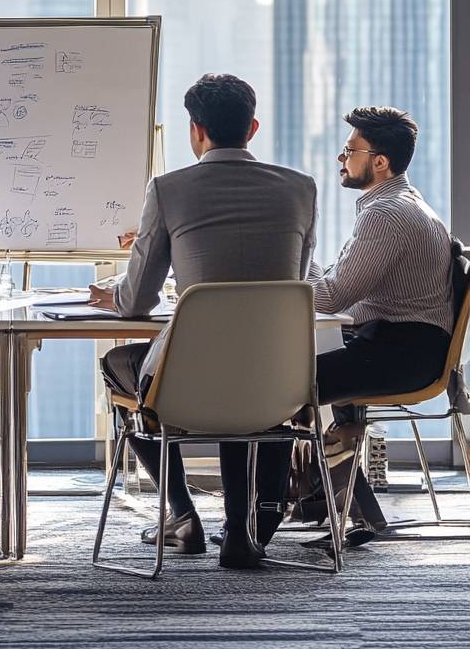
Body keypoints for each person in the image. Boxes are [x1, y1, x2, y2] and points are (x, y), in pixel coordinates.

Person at [88, 74, 318, 569]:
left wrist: (114, 293)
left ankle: (183, 514)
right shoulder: (302, 189)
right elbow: (291, 285)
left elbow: (135, 303)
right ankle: (240, 532)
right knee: (239, 377)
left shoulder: (169, 189)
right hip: (279, 383)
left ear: (196, 131)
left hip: (190, 385)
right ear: (252, 128)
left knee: (117, 365)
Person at [265, 107, 454, 545]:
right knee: (296, 371)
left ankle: (260, 520)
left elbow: (329, 297)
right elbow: (340, 288)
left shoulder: (386, 215)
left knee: (273, 386)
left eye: (350, 151)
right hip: (398, 344)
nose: (340, 159)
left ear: (380, 161)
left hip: (401, 354)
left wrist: (296, 245)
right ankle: (346, 510)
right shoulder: (397, 204)